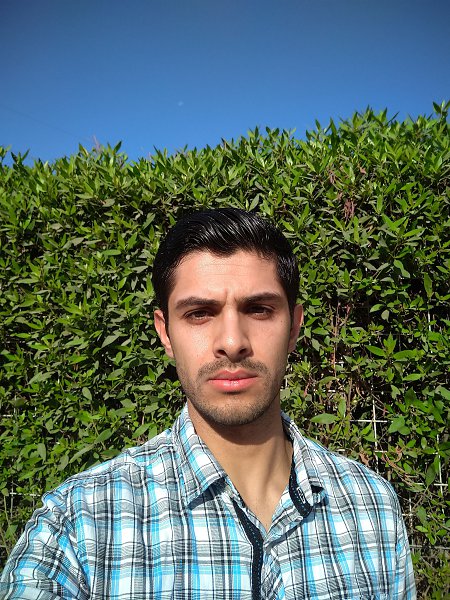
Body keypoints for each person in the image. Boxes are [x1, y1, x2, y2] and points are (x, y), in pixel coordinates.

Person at [1, 208, 416, 599]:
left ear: (294, 327)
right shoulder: (79, 526)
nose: (232, 342)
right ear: (165, 333)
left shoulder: (372, 507)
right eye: (199, 313)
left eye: (259, 309)